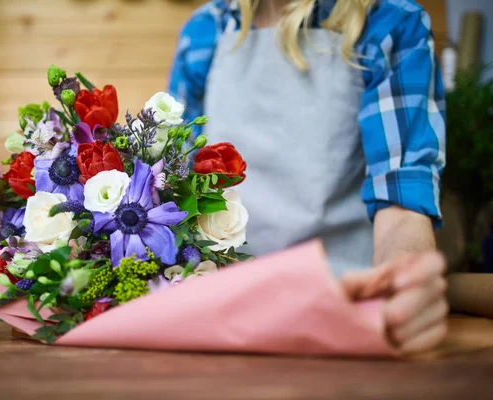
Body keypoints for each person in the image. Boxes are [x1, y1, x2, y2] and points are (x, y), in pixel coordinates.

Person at [168, 0, 448, 353]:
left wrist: (405, 282)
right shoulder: (206, 30)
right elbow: (174, 193)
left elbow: (401, 201)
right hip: (224, 316)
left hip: (343, 313)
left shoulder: (391, 23)